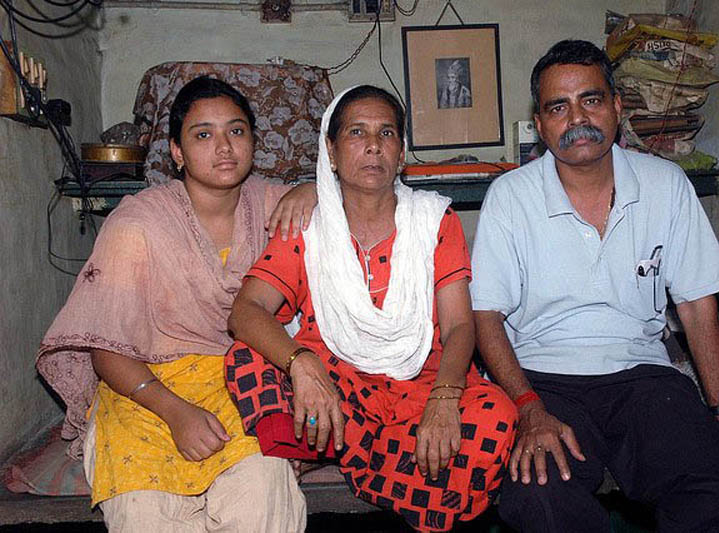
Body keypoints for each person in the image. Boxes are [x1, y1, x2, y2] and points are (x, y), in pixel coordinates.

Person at [470, 40, 719, 533]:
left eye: (590, 99)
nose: (577, 118)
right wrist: (527, 409)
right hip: (544, 380)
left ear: (616, 107)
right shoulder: (511, 197)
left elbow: (696, 304)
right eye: (558, 107)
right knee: (536, 498)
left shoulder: (666, 184)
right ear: (541, 125)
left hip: (643, 377)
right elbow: (486, 318)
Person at [225, 85, 517, 532]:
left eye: (386, 133)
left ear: (401, 153)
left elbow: (460, 326)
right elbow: (245, 312)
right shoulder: (306, 225)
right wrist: (301, 364)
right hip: (336, 383)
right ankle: (385, 460)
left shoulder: (435, 220)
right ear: (332, 150)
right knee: (246, 357)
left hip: (420, 380)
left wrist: (444, 400)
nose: (373, 145)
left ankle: (334, 447)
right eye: (357, 132)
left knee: (496, 419)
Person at [37, 76, 316, 532]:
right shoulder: (139, 223)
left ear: (253, 142)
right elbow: (106, 348)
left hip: (238, 386)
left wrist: (312, 188)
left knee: (265, 497)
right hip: (144, 391)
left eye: (236, 131)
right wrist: (176, 412)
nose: (223, 146)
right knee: (145, 512)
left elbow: (362, 201)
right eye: (203, 134)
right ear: (178, 152)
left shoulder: (276, 205)